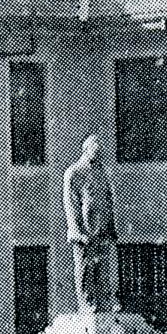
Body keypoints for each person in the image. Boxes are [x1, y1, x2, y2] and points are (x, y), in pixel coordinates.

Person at [63, 132, 116, 311]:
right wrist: (77, 231)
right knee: (85, 267)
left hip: (101, 228)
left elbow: (108, 201)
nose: (98, 154)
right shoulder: (74, 172)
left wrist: (110, 227)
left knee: (102, 267)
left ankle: (104, 301)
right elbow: (71, 204)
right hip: (84, 231)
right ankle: (86, 303)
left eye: (100, 151)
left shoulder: (102, 172)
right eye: (95, 150)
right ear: (86, 150)